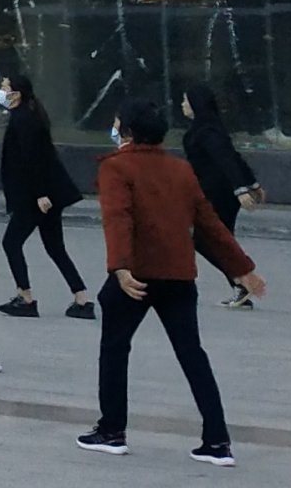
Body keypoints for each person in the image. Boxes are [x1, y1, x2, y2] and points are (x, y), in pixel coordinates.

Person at [75, 98, 265, 465]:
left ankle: (112, 430)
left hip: (136, 274)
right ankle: (217, 441)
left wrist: (120, 267)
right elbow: (210, 225)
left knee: (115, 348)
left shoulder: (116, 167)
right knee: (192, 354)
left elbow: (118, 218)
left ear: (127, 130)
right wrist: (242, 268)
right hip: (178, 275)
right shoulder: (181, 170)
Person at [0, 73, 90, 318]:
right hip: (45, 193)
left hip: (35, 196)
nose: (1, 91)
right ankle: (81, 298)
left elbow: (33, 159)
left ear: (16, 94)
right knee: (55, 247)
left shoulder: (23, 119)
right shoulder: (29, 115)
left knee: (11, 242)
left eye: (5, 87)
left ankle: (25, 297)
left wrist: (40, 194)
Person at [178, 86, 261, 308]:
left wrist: (241, 188)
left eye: (185, 100)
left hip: (218, 194)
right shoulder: (207, 126)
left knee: (210, 240)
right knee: (220, 241)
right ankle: (240, 282)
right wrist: (251, 183)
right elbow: (233, 156)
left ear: (196, 103)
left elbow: (226, 158)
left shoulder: (206, 130)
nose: (182, 105)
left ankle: (241, 280)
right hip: (218, 192)